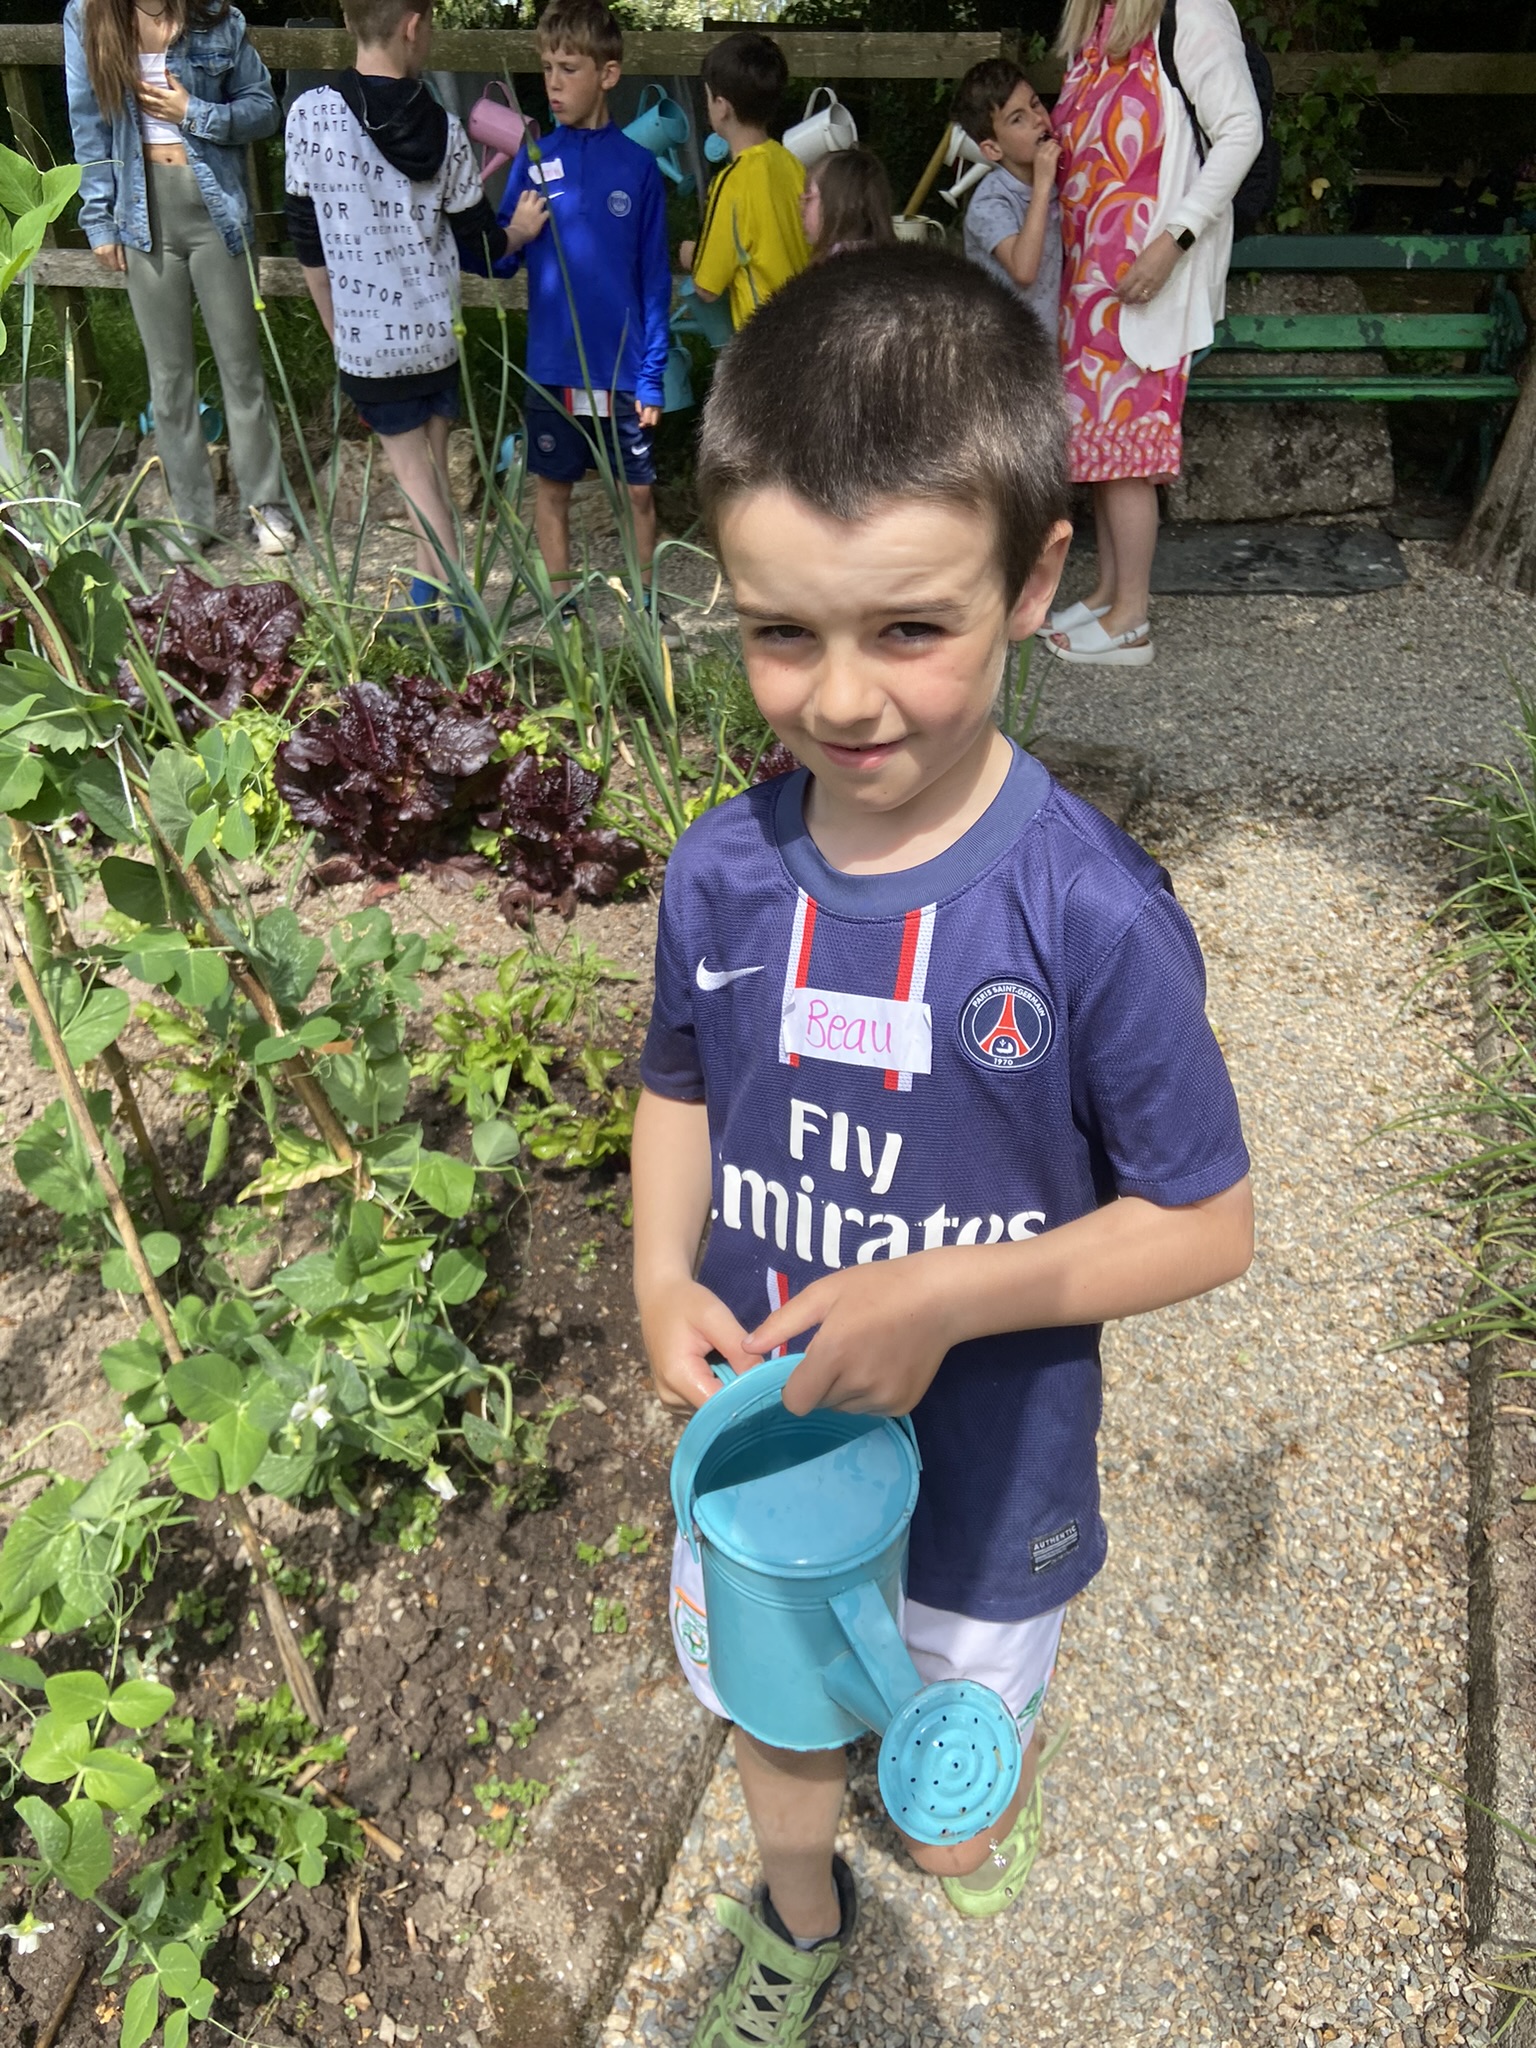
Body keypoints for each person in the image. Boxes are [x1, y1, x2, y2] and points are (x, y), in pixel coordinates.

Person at [632, 244, 1253, 2046]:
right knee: (777, 1722)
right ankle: (798, 1917)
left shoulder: (1086, 917)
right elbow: (678, 1085)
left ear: (1035, 580)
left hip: (984, 1487)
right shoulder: (721, 873)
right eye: (782, 632)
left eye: (911, 628)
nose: (842, 698)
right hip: (770, 1466)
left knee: (949, 1771)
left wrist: (946, 1295)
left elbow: (1204, 1220)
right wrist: (660, 1273)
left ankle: (970, 1785)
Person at [1044, 0, 1260, 666]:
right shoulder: (1093, 24)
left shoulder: (1190, 11)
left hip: (1146, 282)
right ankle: (1109, 593)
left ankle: (1131, 620)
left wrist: (1175, 240)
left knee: (1131, 457)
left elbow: (1241, 131)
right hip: (1087, 287)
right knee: (1104, 453)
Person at [286, 0, 513, 622]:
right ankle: (424, 607)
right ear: (414, 26)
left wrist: (338, 331)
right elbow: (480, 245)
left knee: (418, 486)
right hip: (435, 337)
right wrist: (519, 229)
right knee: (431, 479)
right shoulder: (446, 128)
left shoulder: (311, 116)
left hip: (369, 345)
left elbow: (308, 244)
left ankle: (465, 618)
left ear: (348, 19)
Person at [64, 0, 294, 557]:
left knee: (242, 368)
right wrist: (99, 219)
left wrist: (194, 111)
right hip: (142, 218)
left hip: (217, 215)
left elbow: (265, 108)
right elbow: (87, 122)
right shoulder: (88, 16)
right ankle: (191, 519)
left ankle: (265, 507)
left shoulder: (219, 17)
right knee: (168, 379)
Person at [493, 0, 673, 638]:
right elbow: (498, 259)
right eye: (547, 68)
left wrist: (651, 375)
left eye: (568, 69)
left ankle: (646, 610)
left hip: (619, 369)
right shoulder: (534, 158)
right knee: (553, 489)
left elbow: (654, 279)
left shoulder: (639, 167)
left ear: (608, 74)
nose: (554, 83)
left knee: (637, 493)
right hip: (553, 367)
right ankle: (562, 610)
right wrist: (515, 232)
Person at [678, 30, 809, 328]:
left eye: (707, 96)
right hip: (806, 330)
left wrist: (690, 255)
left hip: (763, 340)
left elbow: (707, 286)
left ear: (721, 106)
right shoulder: (792, 164)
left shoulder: (730, 183)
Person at [955, 58, 1063, 337]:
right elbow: (1023, 271)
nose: (1037, 119)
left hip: (1052, 343)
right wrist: (1042, 186)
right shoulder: (989, 203)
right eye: (1017, 119)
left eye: (1035, 104)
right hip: (1005, 349)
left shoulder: (1061, 179)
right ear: (992, 149)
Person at [800, 147, 895, 263]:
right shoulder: (890, 260)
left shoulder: (835, 268)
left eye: (809, 197)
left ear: (838, 204)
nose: (802, 209)